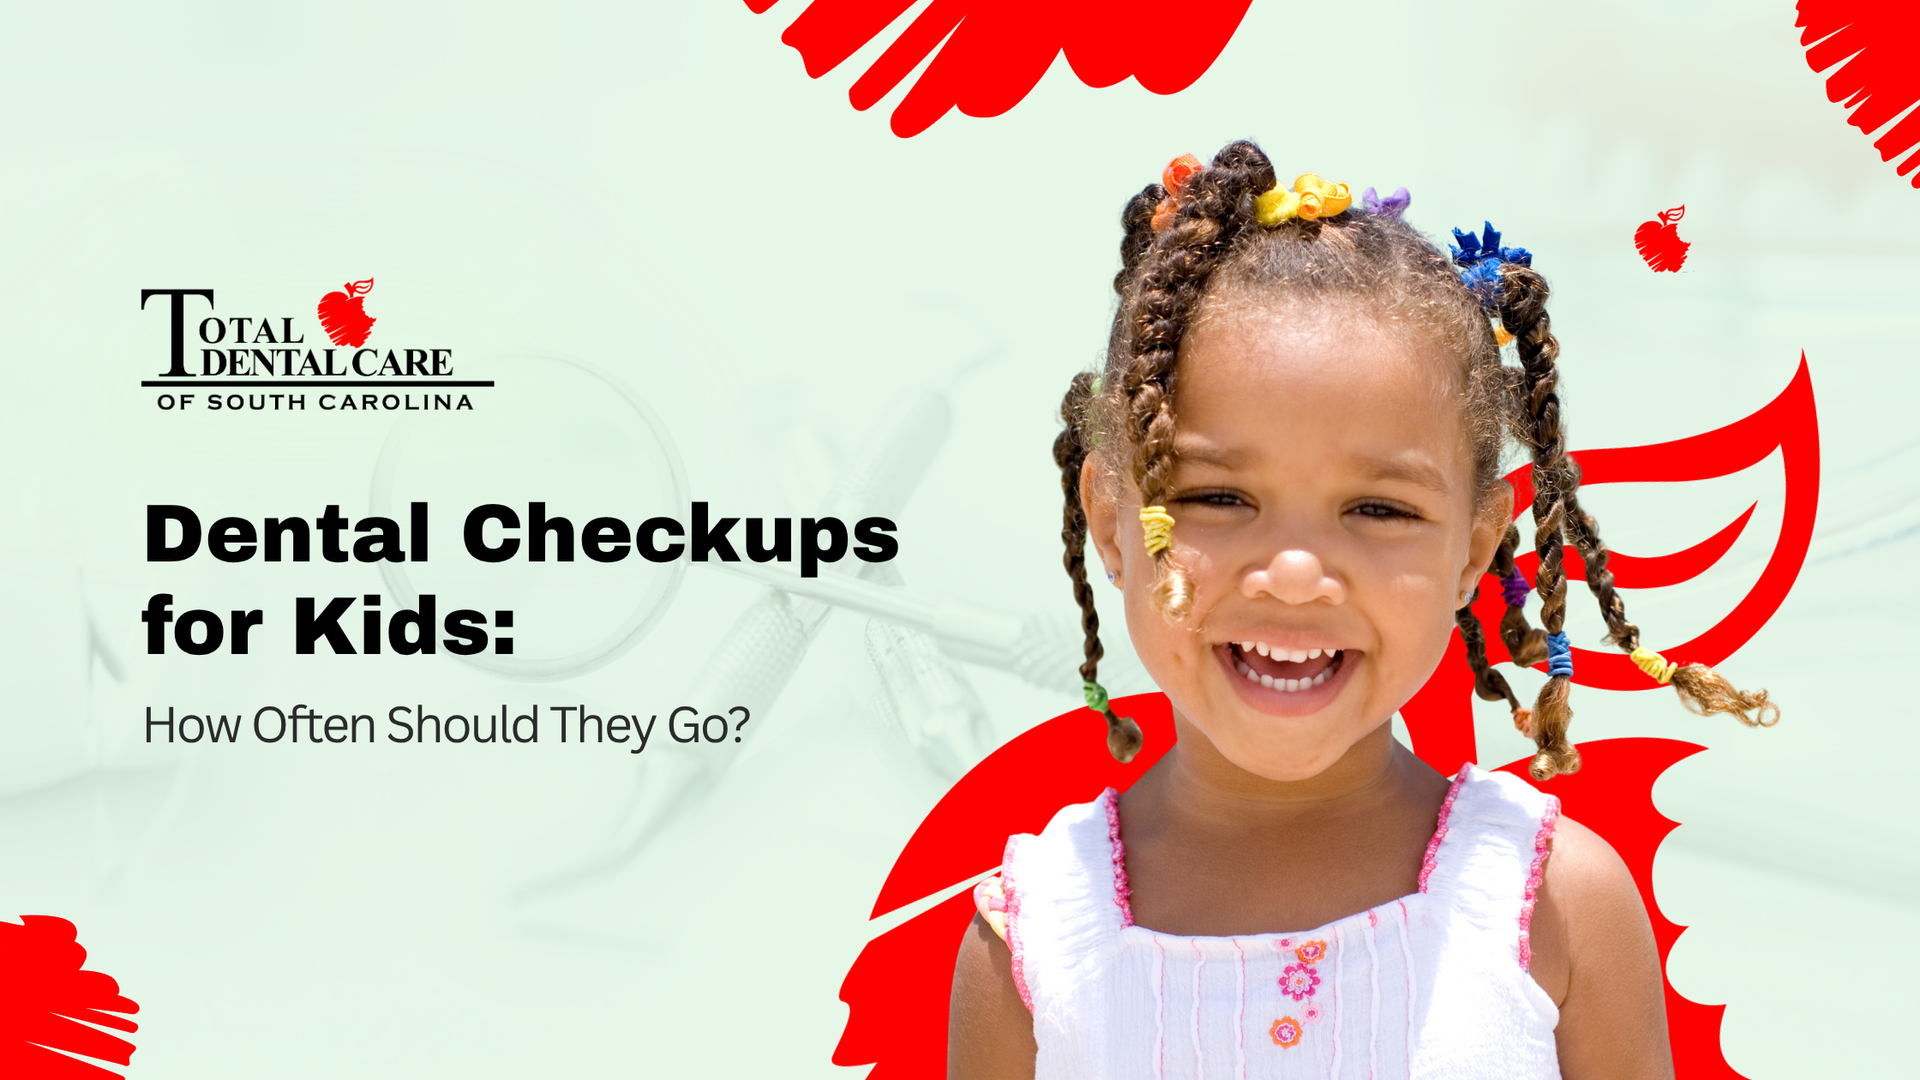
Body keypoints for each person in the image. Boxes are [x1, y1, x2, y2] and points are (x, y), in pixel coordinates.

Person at [947, 140, 1777, 1079]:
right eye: (1218, 497)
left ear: (1474, 548)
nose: (1297, 573)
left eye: (1379, 510)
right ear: (1111, 520)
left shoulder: (1554, 903)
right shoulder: (1032, 940)